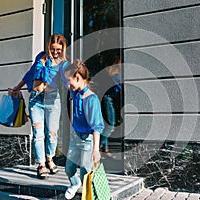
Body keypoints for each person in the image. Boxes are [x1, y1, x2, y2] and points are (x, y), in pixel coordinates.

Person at [12, 34, 69, 179]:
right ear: (49, 46)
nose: (55, 52)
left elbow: (69, 82)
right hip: (36, 99)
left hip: (52, 99)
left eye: (59, 50)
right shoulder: (41, 57)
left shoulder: (63, 64)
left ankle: (50, 158)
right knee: (38, 134)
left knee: (52, 134)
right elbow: (30, 74)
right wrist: (17, 88)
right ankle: (41, 164)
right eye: (53, 48)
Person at [64, 60, 104, 200]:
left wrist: (96, 149)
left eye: (69, 81)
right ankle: (74, 184)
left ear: (77, 78)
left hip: (87, 140)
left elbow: (96, 127)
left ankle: (90, 195)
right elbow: (67, 76)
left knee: (85, 173)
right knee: (69, 169)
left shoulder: (91, 99)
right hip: (75, 138)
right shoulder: (75, 92)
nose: (68, 85)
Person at [100, 56, 122, 159]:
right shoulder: (117, 75)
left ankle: (105, 149)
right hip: (108, 99)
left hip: (110, 99)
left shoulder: (113, 74)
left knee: (109, 124)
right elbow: (120, 85)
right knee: (110, 124)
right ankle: (99, 147)